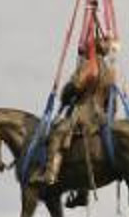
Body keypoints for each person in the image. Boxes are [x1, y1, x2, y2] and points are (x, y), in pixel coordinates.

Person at [36, 29, 119, 189]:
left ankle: (50, 173)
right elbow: (112, 100)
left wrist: (65, 95)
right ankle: (82, 192)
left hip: (84, 113)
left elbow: (74, 86)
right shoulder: (111, 72)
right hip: (102, 116)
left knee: (58, 132)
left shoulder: (89, 66)